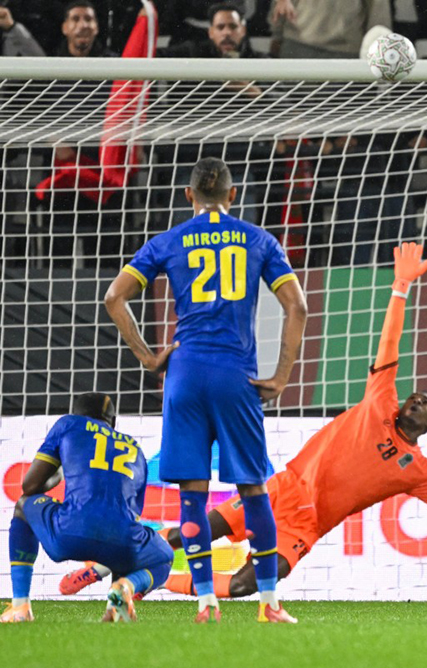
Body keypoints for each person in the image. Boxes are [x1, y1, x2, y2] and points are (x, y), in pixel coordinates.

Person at [63, 243, 427, 600]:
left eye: (423, 405)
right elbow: (390, 340)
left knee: (249, 585)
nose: (414, 402)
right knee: (193, 532)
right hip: (281, 491)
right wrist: (401, 286)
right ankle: (106, 568)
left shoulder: (420, 470)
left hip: (306, 528)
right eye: (413, 397)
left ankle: (151, 583)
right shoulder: (378, 400)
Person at [103, 157, 308, 624]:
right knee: (254, 489)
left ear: (188, 196)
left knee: (192, 494)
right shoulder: (259, 240)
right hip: (237, 375)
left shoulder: (168, 241)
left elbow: (114, 297)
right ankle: (269, 604)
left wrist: (147, 356)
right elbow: (297, 306)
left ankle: (204, 602)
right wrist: (280, 377)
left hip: (186, 374)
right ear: (233, 196)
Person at [0, 393, 173, 624]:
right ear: (112, 422)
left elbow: (30, 485)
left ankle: (21, 607)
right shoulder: (135, 448)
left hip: (68, 535)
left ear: (76, 414)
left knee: (23, 505)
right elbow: (132, 515)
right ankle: (123, 592)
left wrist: (59, 474)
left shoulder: (68, 424)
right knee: (164, 556)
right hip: (122, 545)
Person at [269, 0, 392, 59]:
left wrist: (277, 35)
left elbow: (379, 12)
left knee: (293, 106)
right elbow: (379, 15)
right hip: (300, 46)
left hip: (300, 43)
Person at [157, 2, 266, 59]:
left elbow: (281, 93)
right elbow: (154, 55)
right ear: (211, 32)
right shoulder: (193, 52)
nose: (227, 33)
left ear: (243, 31)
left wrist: (255, 92)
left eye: (233, 27)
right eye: (220, 27)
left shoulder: (260, 61)